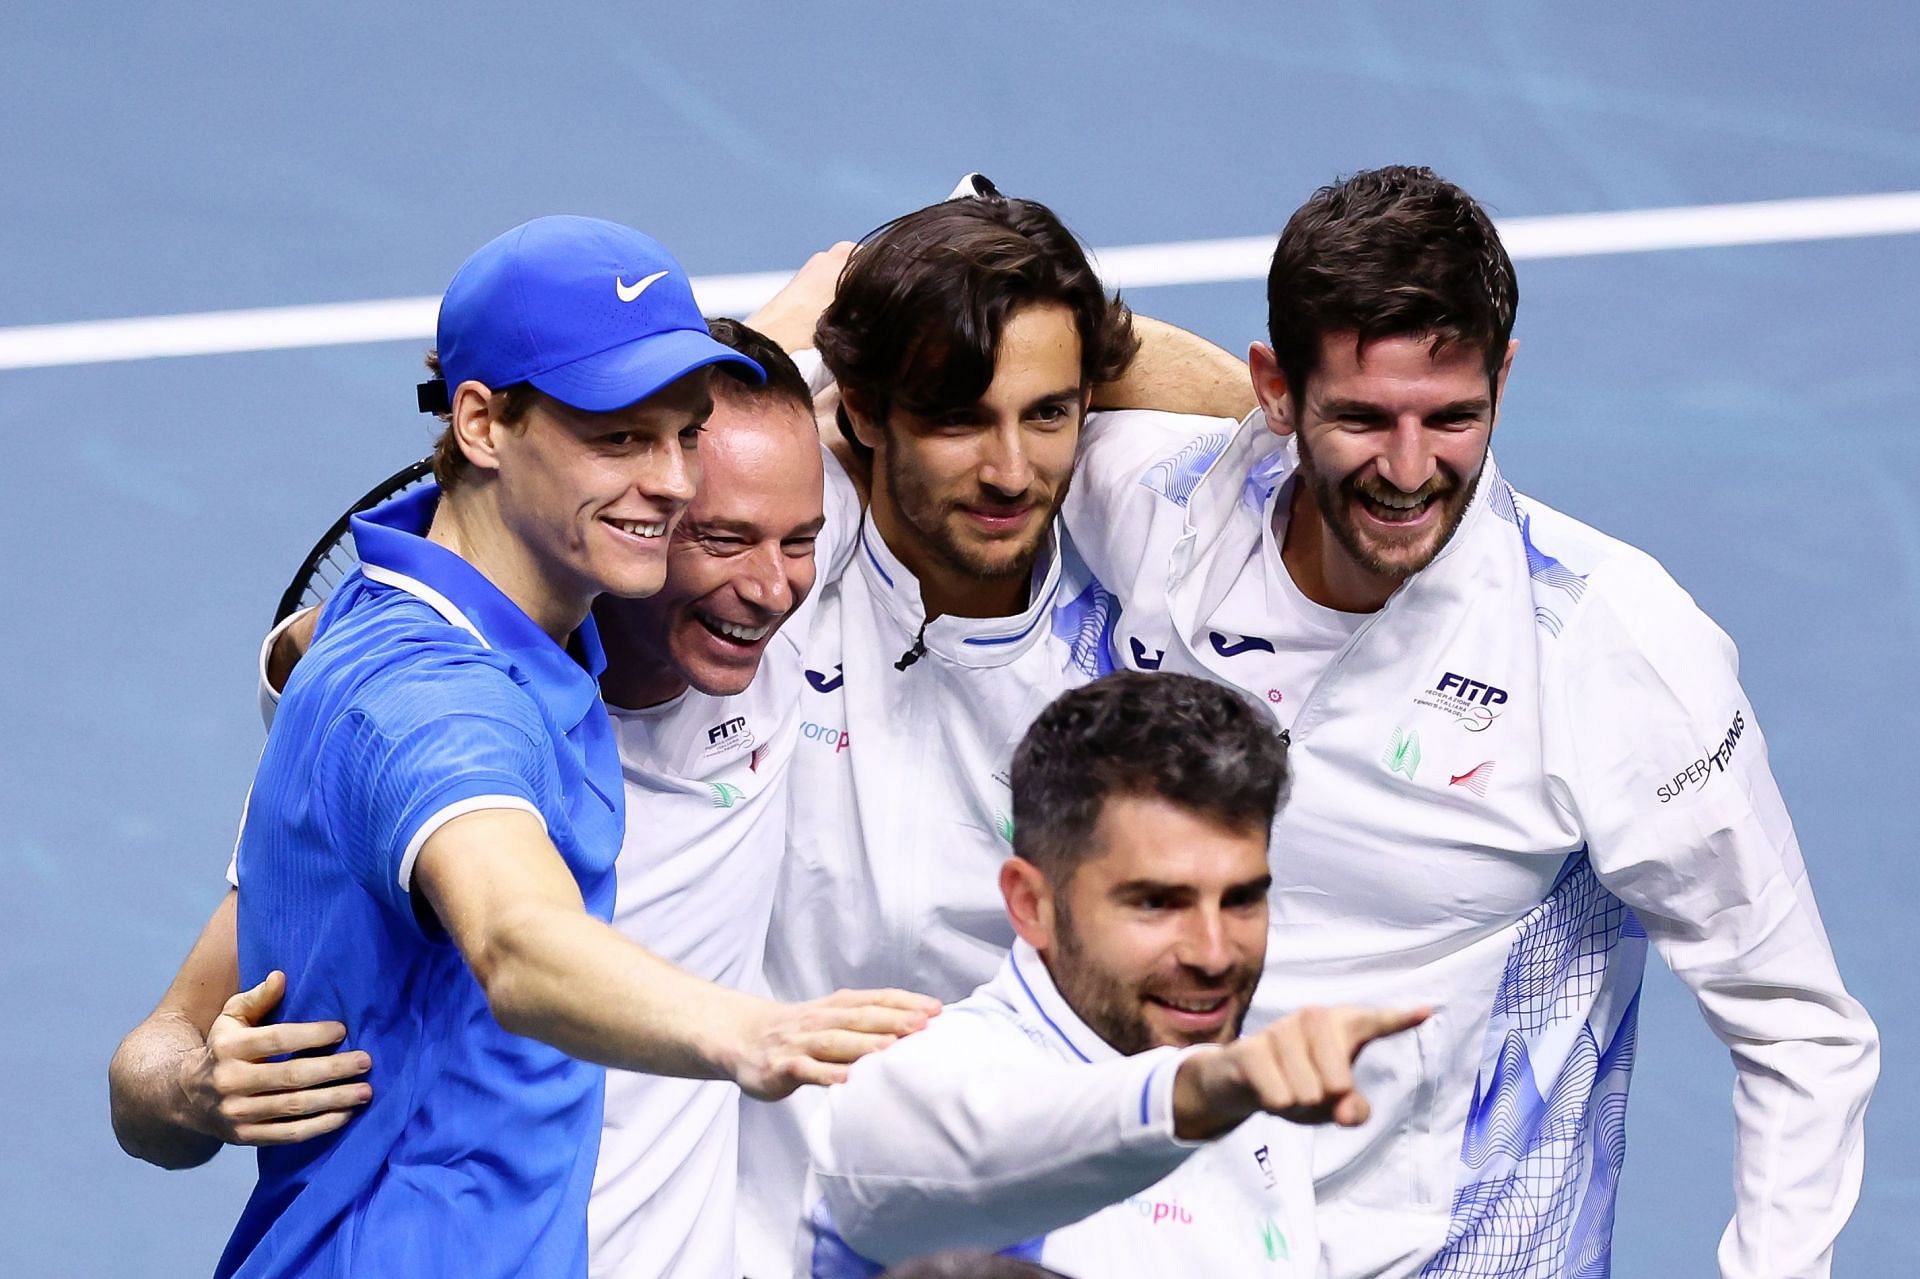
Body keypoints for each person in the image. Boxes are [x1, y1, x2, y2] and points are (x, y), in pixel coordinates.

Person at [1063, 166, 1881, 1277]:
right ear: (1272, 387)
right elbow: (970, 353)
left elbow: (1800, 1031)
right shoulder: (1156, 509)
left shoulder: (1606, 645)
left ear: (1504, 375)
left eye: (1453, 417)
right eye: (1359, 417)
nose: (1409, 473)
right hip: (1149, 1231)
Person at [110, 317, 929, 1279]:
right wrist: (198, 1087)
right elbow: (147, 1071)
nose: (770, 586)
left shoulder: (769, 622)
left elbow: (909, 325)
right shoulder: (430, 726)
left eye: (799, 540)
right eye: (717, 537)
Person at [738, 186, 1256, 1275]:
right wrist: (766, 349)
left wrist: (1043, 306)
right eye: (958, 416)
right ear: (861, 413)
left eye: (1049, 412)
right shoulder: (763, 577)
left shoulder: (1149, 602)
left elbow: (1277, 415)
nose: (1013, 472)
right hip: (763, 1223)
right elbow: (413, 613)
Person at [806, 673, 1428, 1276]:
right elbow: (1004, 1134)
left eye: (1241, 900)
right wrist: (1200, 1093)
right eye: (1157, 903)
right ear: (1031, 904)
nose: (1213, 955)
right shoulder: (915, 1083)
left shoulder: (1255, 1099)